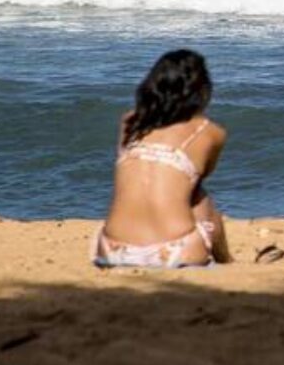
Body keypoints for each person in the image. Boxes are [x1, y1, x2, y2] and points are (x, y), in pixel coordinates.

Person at [94, 49, 232, 268]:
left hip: (112, 249)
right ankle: (226, 260)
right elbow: (198, 181)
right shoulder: (209, 132)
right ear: (201, 91)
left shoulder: (130, 123)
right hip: (175, 250)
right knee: (198, 194)